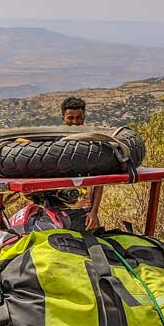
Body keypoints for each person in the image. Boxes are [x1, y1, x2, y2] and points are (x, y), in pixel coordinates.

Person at [60, 95, 103, 229]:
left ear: (84, 118)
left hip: (85, 211)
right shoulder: (54, 146)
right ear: (63, 119)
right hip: (60, 211)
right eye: (70, 118)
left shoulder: (93, 146)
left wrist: (94, 212)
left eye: (79, 118)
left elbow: (99, 182)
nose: (75, 122)